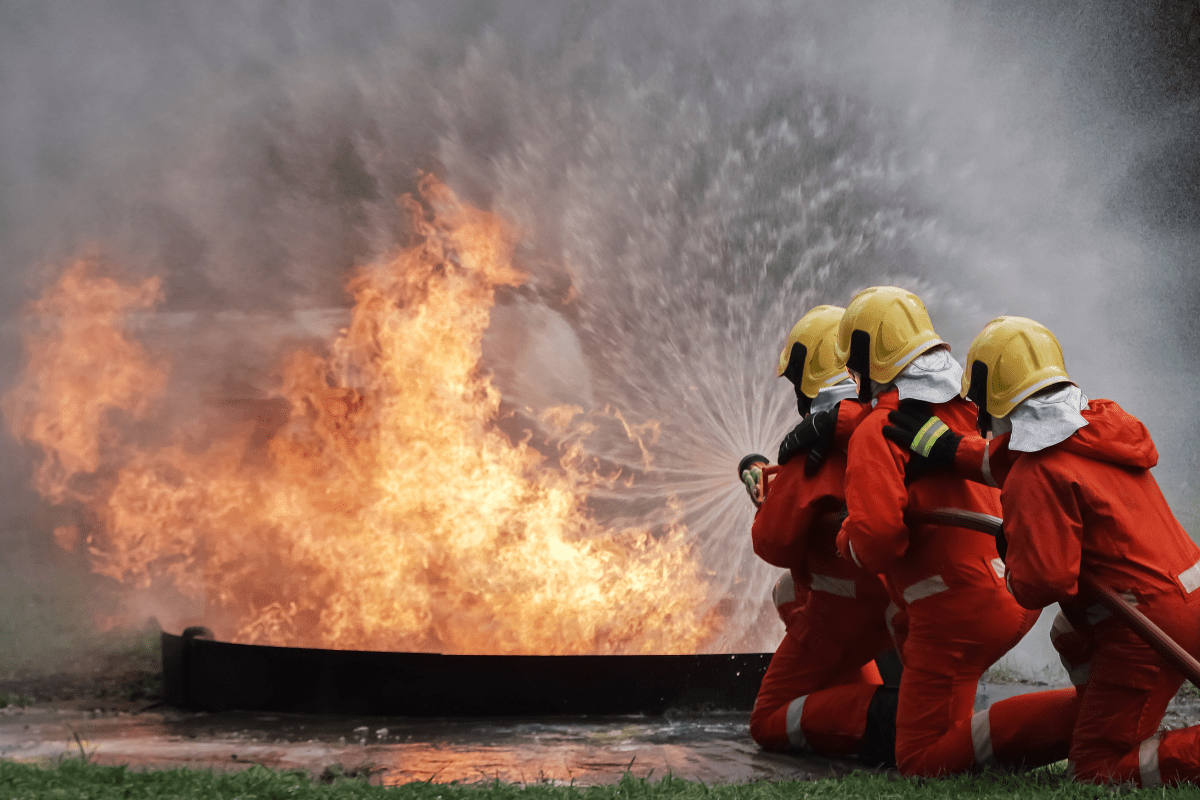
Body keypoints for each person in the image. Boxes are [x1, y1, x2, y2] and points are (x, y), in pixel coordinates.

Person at [883, 315, 1200, 787]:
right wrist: (945, 447)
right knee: (1069, 631)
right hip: (1185, 601)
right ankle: (1104, 711)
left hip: (1143, 630)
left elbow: (1043, 583)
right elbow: (1014, 456)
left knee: (1095, 771)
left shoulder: (1037, 476)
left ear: (993, 393)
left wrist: (1012, 552)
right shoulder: (1102, 425)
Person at [831, 288, 1078, 776]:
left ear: (866, 361)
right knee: (902, 622)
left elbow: (877, 542)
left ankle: (1093, 717)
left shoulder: (877, 432)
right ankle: (956, 720)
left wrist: (844, 536)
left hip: (958, 612)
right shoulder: (969, 405)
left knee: (921, 761)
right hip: (1012, 591)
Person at [739, 305, 898, 766]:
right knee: (788, 592)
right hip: (898, 605)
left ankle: (891, 714)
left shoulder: (813, 450)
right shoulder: (895, 422)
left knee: (769, 719)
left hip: (848, 607)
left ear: (806, 382)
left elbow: (774, 543)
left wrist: (771, 500)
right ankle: (873, 698)